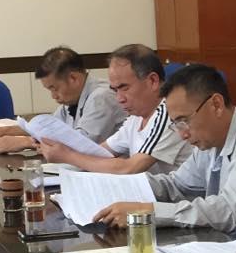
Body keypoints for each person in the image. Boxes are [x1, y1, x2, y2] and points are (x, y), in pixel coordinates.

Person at [93, 64, 236, 253]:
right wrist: (117, 188)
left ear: (216, 104)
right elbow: (176, 185)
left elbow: (227, 211)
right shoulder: (210, 141)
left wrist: (147, 212)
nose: (182, 134)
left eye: (184, 121)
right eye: (176, 124)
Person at [35, 45, 191, 175]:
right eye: (115, 90)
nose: (119, 98)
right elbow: (100, 152)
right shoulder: (136, 117)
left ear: (152, 81)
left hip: (173, 200)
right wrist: (60, 152)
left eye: (124, 88)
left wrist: (67, 155)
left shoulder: (168, 112)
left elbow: (130, 168)